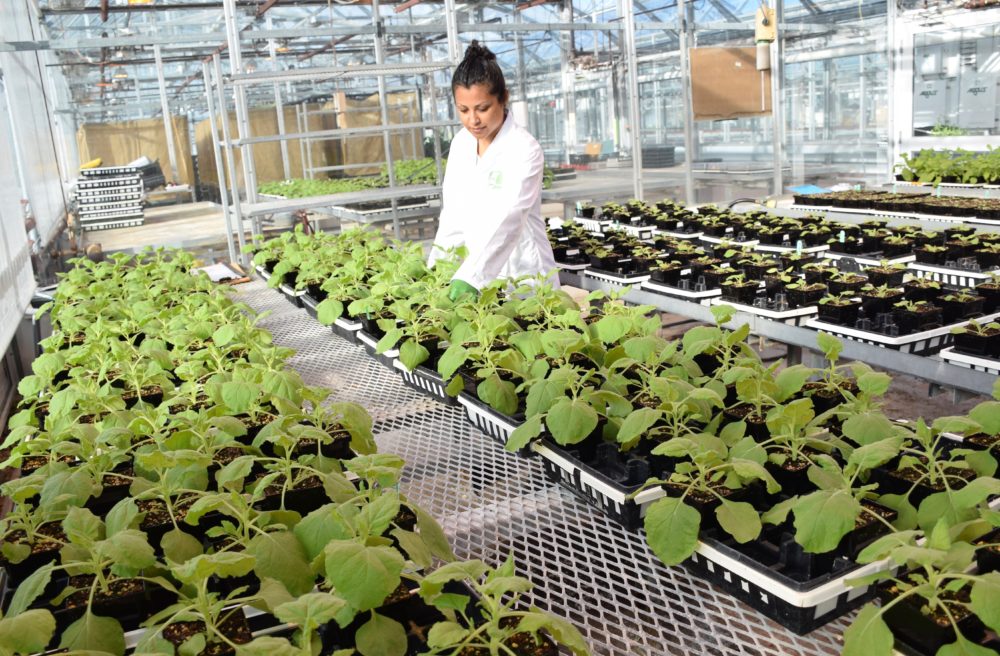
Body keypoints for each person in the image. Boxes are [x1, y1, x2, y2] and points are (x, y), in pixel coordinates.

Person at [428, 41, 558, 301]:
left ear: (504, 98)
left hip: (524, 273)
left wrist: (471, 277)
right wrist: (437, 267)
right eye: (463, 110)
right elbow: (453, 213)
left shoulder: (524, 149)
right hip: (478, 274)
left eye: (482, 108)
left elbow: (509, 218)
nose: (473, 120)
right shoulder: (461, 143)